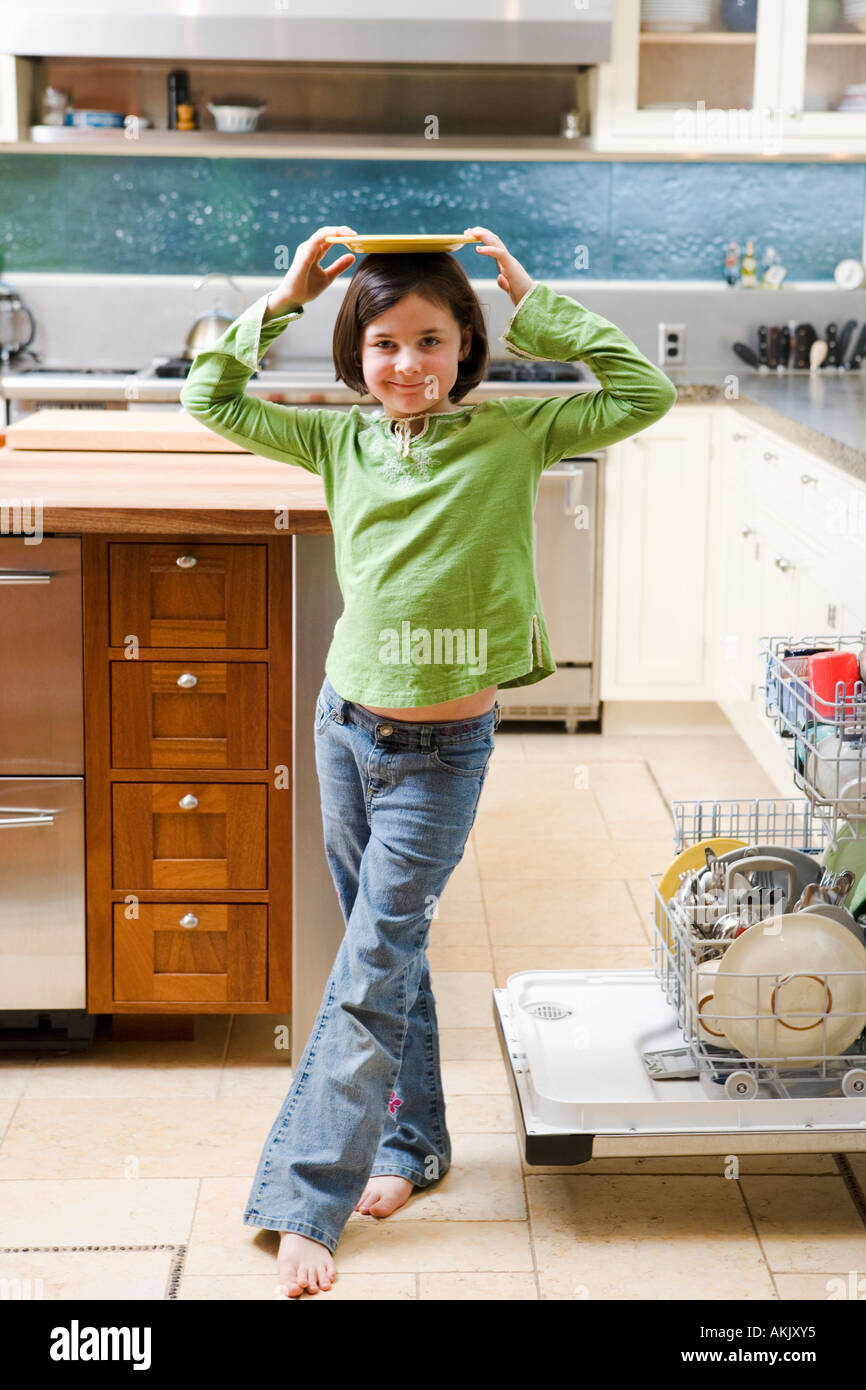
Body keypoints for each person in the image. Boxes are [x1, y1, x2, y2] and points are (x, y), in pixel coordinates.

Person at [180, 223, 677, 1298]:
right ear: (354, 352)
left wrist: (535, 297)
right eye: (382, 344)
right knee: (384, 951)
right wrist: (283, 297)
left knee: (368, 963)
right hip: (343, 727)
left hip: (442, 751)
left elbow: (643, 394)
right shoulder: (337, 441)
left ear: (466, 351)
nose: (405, 364)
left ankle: (306, 1200)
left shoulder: (512, 434)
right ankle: (412, 1146)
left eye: (430, 342)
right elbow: (209, 399)